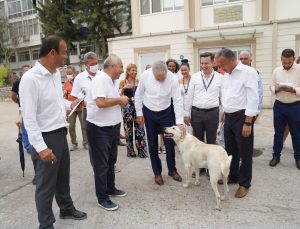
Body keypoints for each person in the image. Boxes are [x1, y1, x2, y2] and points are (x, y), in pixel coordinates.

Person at [19, 35, 87, 229]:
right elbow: (29, 118)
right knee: (45, 185)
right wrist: (41, 148)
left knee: (62, 177)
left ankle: (66, 208)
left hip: (59, 133)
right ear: (52, 53)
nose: (66, 56)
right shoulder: (30, 79)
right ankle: (46, 224)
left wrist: (70, 103)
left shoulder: (55, 74)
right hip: (45, 138)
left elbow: (56, 102)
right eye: (64, 52)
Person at [86, 54, 128, 211]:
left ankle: (110, 188)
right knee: (101, 164)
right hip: (99, 128)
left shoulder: (113, 80)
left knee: (111, 160)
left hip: (112, 127)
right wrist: (119, 100)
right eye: (121, 67)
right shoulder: (100, 79)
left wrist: (120, 98)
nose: (122, 70)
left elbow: (111, 99)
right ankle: (102, 198)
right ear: (112, 67)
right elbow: (100, 102)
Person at [215, 48, 259, 198]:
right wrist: (224, 112)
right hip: (228, 117)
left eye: (223, 65)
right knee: (231, 150)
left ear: (232, 59)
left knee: (245, 152)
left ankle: (245, 183)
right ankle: (233, 175)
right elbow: (226, 95)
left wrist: (248, 122)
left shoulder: (248, 72)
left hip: (242, 117)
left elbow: (253, 98)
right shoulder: (227, 74)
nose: (221, 69)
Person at [135, 61, 185, 186]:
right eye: (158, 78)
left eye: (163, 78)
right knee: (152, 145)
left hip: (165, 115)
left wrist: (179, 122)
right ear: (153, 73)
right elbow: (138, 95)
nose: (161, 80)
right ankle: (157, 173)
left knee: (169, 143)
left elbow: (178, 99)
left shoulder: (173, 78)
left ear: (167, 72)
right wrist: (139, 113)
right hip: (149, 114)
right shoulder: (145, 75)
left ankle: (172, 170)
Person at [269, 48, 300, 170]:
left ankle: (298, 157)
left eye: (289, 62)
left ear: (293, 58)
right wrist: (275, 88)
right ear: (281, 59)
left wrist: (293, 90)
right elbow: (271, 86)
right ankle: (276, 156)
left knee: (296, 133)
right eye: (284, 62)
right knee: (278, 133)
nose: (286, 65)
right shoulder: (276, 71)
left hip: (295, 106)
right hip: (279, 105)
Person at [185, 52, 222, 145]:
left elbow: (223, 96)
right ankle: (200, 160)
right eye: (202, 63)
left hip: (212, 113)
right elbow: (189, 96)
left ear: (213, 63)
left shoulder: (220, 78)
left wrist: (224, 112)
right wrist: (186, 113)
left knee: (211, 141)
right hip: (196, 113)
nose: (203, 66)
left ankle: (210, 159)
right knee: (198, 142)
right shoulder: (194, 77)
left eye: (206, 63)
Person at [119, 64, 147, 158]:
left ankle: (141, 151)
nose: (134, 72)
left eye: (135, 70)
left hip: (138, 107)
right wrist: (124, 88)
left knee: (140, 129)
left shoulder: (139, 81)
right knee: (128, 130)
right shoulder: (123, 82)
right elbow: (118, 95)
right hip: (127, 108)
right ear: (128, 71)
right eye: (132, 70)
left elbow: (143, 94)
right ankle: (130, 151)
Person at [64, 65, 88, 151]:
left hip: (81, 107)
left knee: (84, 126)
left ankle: (86, 143)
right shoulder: (66, 83)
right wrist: (66, 109)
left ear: (74, 73)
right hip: (71, 108)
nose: (68, 75)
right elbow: (65, 96)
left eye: (69, 73)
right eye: (67, 73)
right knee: (71, 126)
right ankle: (74, 143)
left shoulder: (80, 81)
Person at [179, 60, 192, 134]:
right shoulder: (179, 81)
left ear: (189, 69)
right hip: (183, 108)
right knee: (185, 129)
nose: (184, 72)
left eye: (185, 70)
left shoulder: (193, 79)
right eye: (182, 70)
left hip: (192, 107)